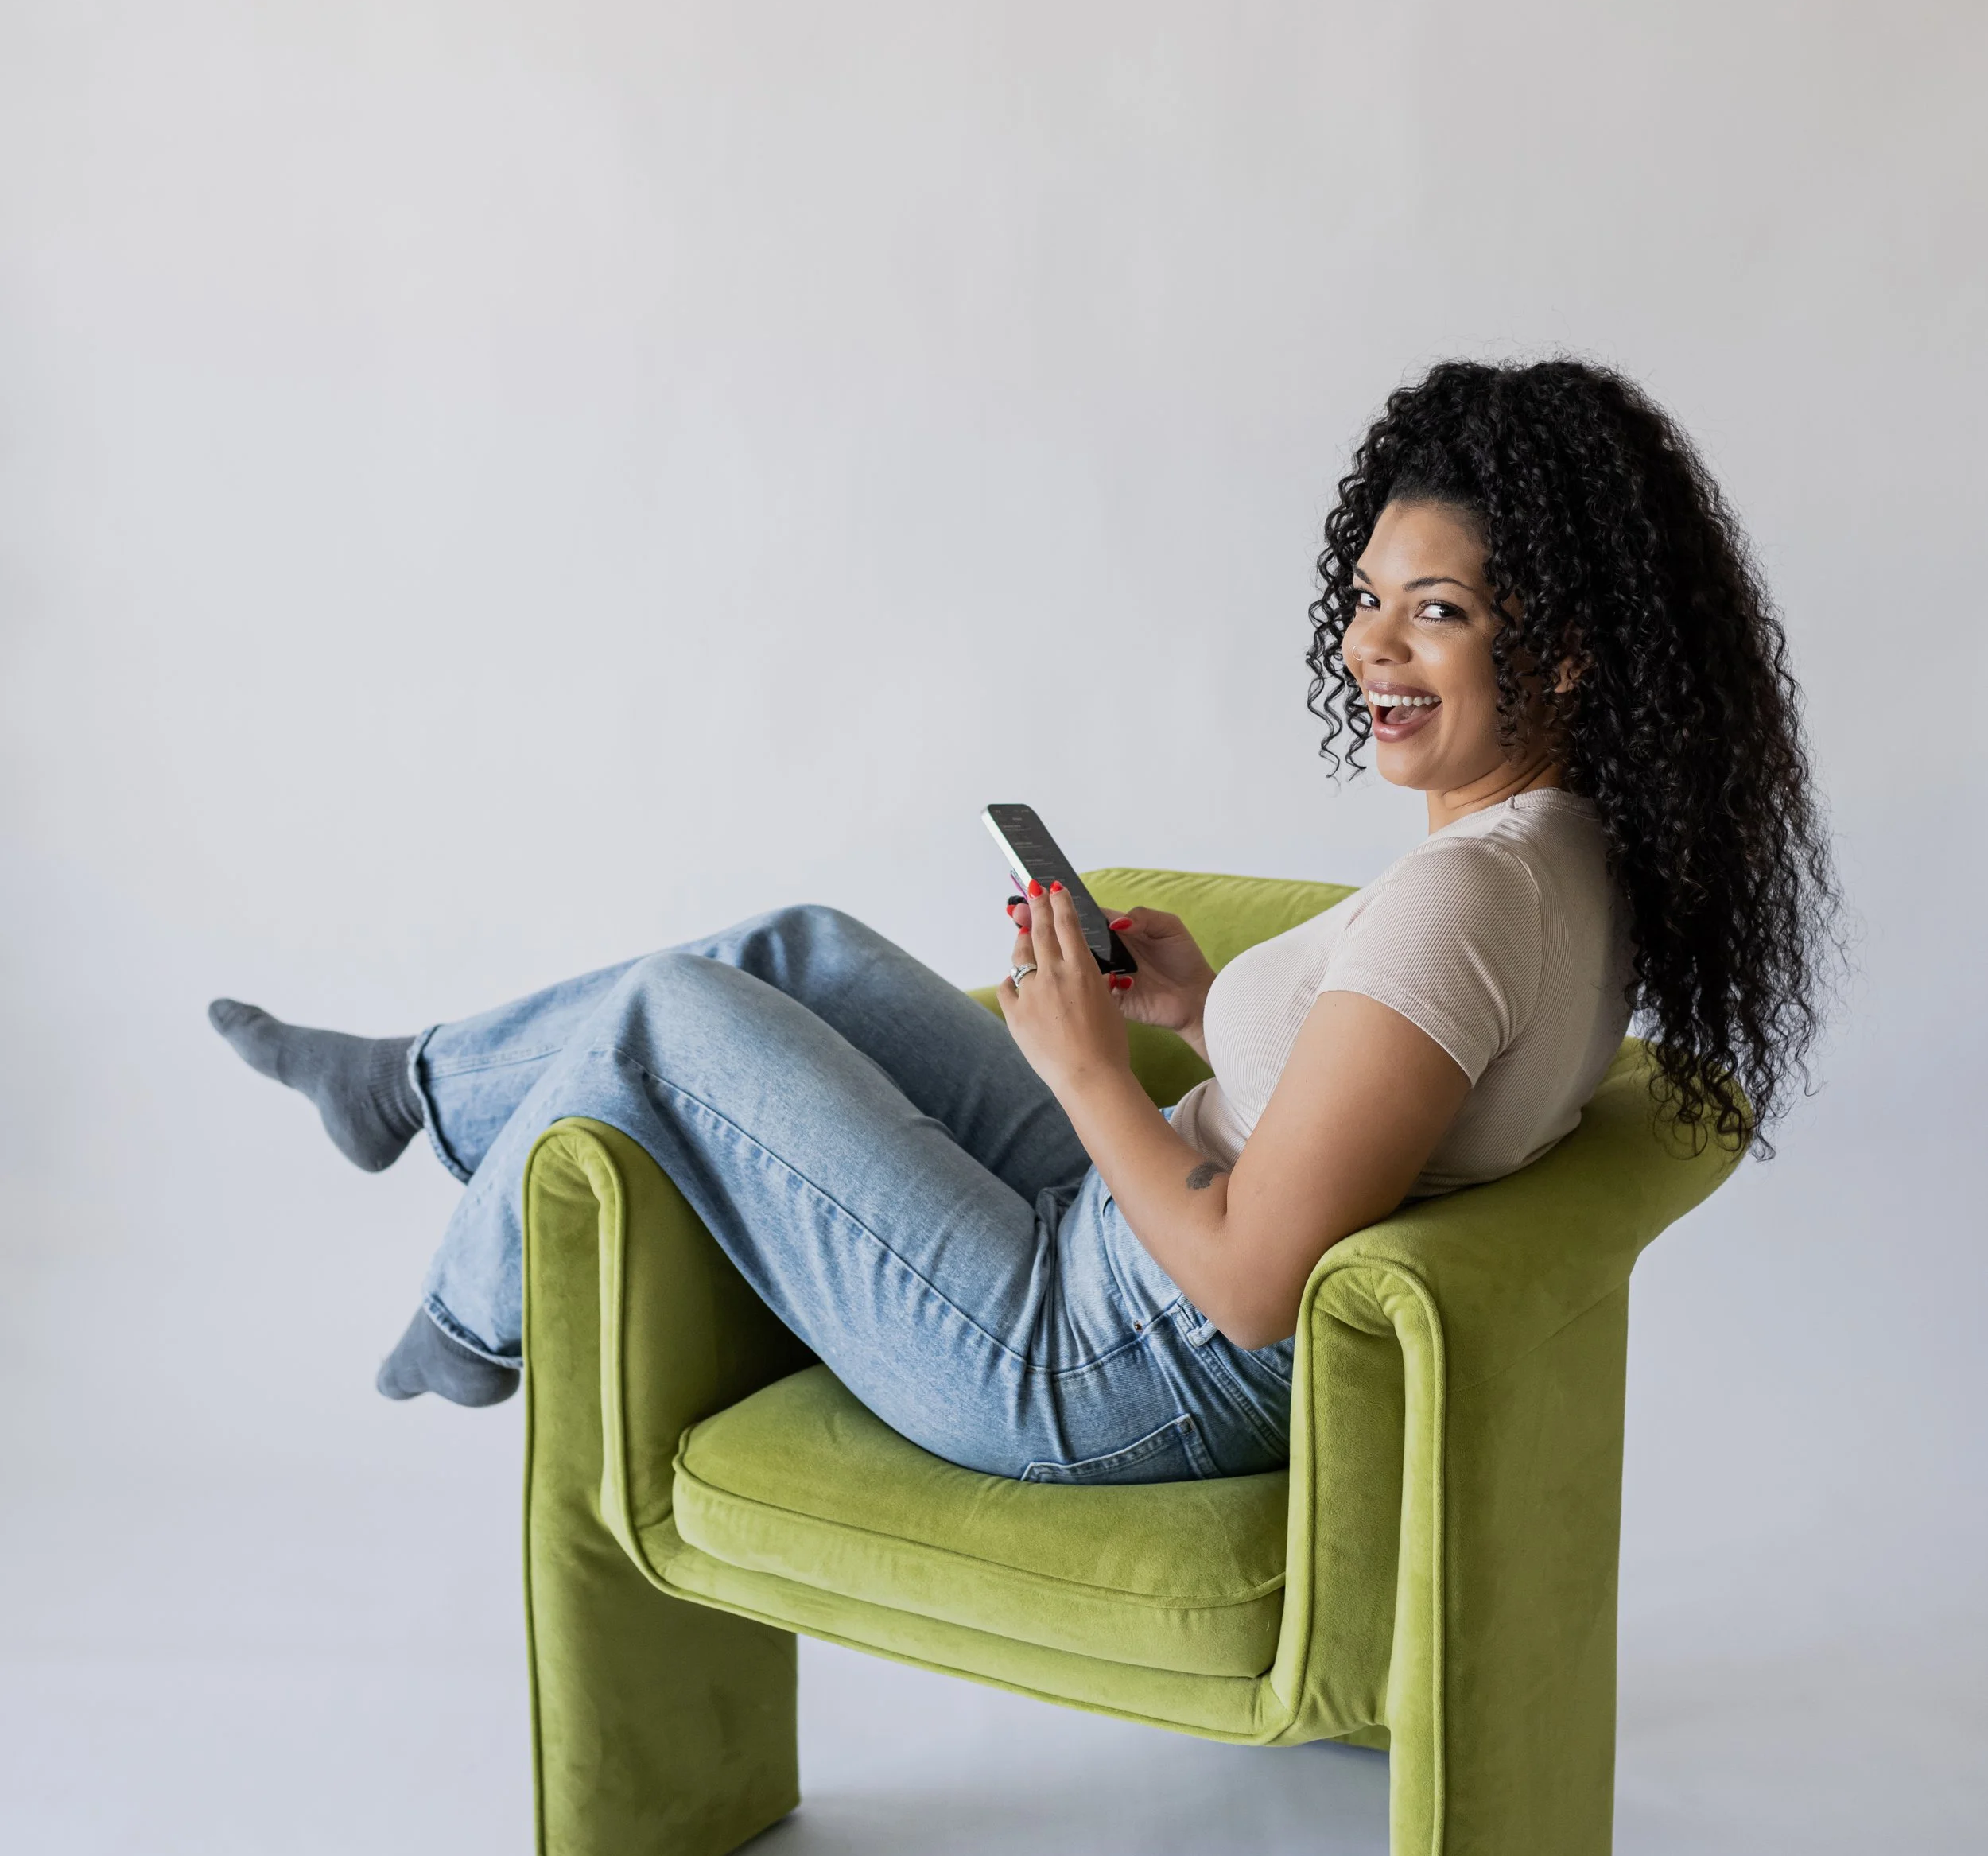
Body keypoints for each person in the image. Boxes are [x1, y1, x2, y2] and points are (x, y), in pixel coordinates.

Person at [209, 357, 1837, 1481]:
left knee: (669, 1022)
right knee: (799, 950)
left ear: (1562, 648)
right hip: (1132, 1242)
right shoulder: (1569, 855)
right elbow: (1404, 1079)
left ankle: (468, 1309)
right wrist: (1200, 1010)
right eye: (1366, 601)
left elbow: (1250, 1289)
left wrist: (1083, 1069)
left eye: (1437, 614)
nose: (1370, 650)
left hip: (1080, 1361)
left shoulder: (1469, 896)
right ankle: (412, 1086)